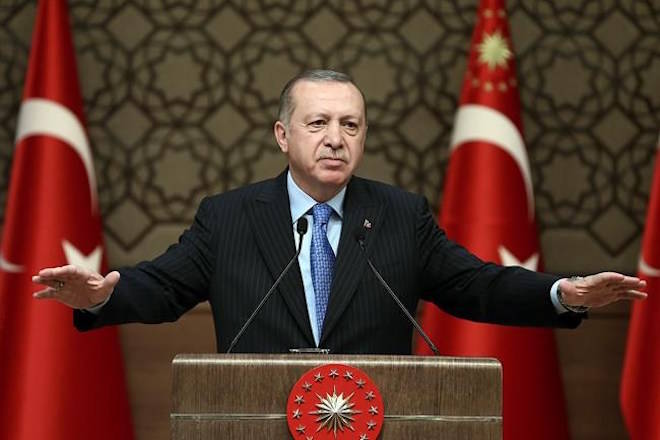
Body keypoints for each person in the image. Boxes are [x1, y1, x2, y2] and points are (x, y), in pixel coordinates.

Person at [32, 70, 647, 353]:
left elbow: (477, 286)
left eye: (349, 124)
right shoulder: (229, 217)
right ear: (282, 135)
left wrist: (562, 295)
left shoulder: (401, 215)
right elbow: (163, 288)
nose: (335, 138)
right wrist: (100, 297)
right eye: (318, 123)